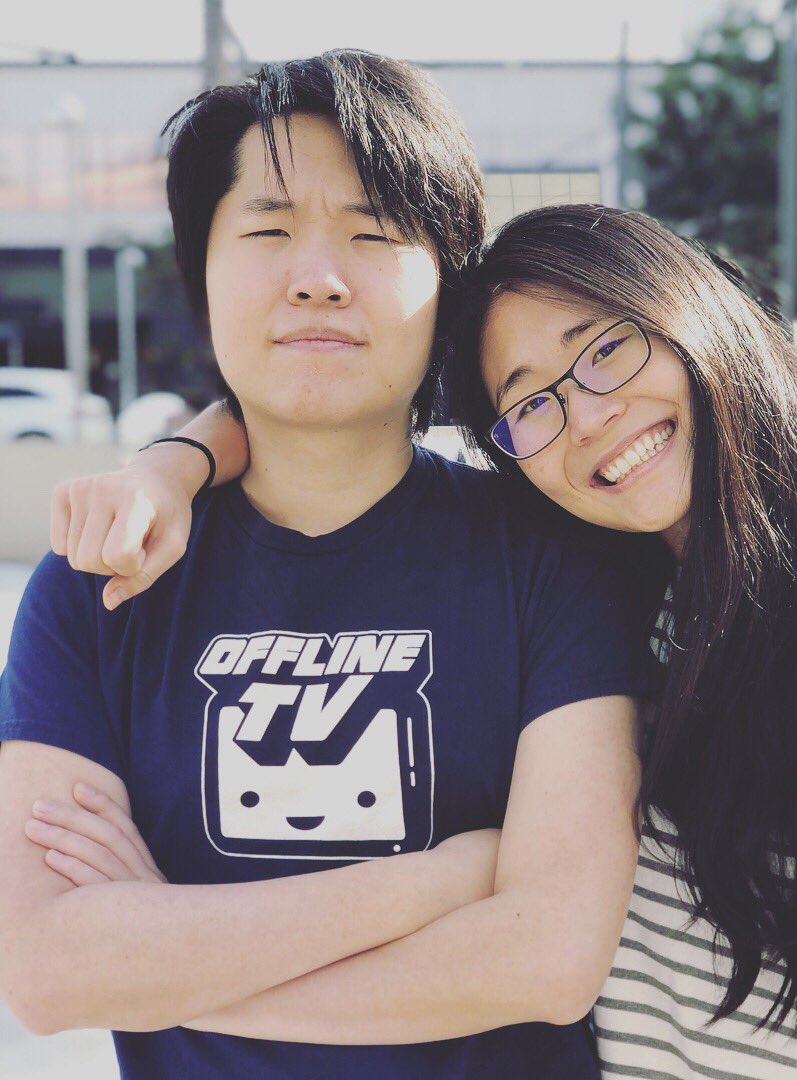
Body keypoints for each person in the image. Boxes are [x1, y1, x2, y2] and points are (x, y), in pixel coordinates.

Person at [34, 203, 797, 1078]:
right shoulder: (602, 587)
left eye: (607, 347)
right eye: (531, 403)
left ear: (695, 309)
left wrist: (161, 976)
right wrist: (173, 462)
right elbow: (311, 407)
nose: (587, 416)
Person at [0, 58, 651, 1080]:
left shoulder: (552, 556)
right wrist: (442, 881)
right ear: (201, 277)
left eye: (373, 233)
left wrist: (159, 953)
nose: (316, 276)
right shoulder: (101, 577)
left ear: (447, 287)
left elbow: (549, 961)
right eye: (267, 231)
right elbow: (47, 972)